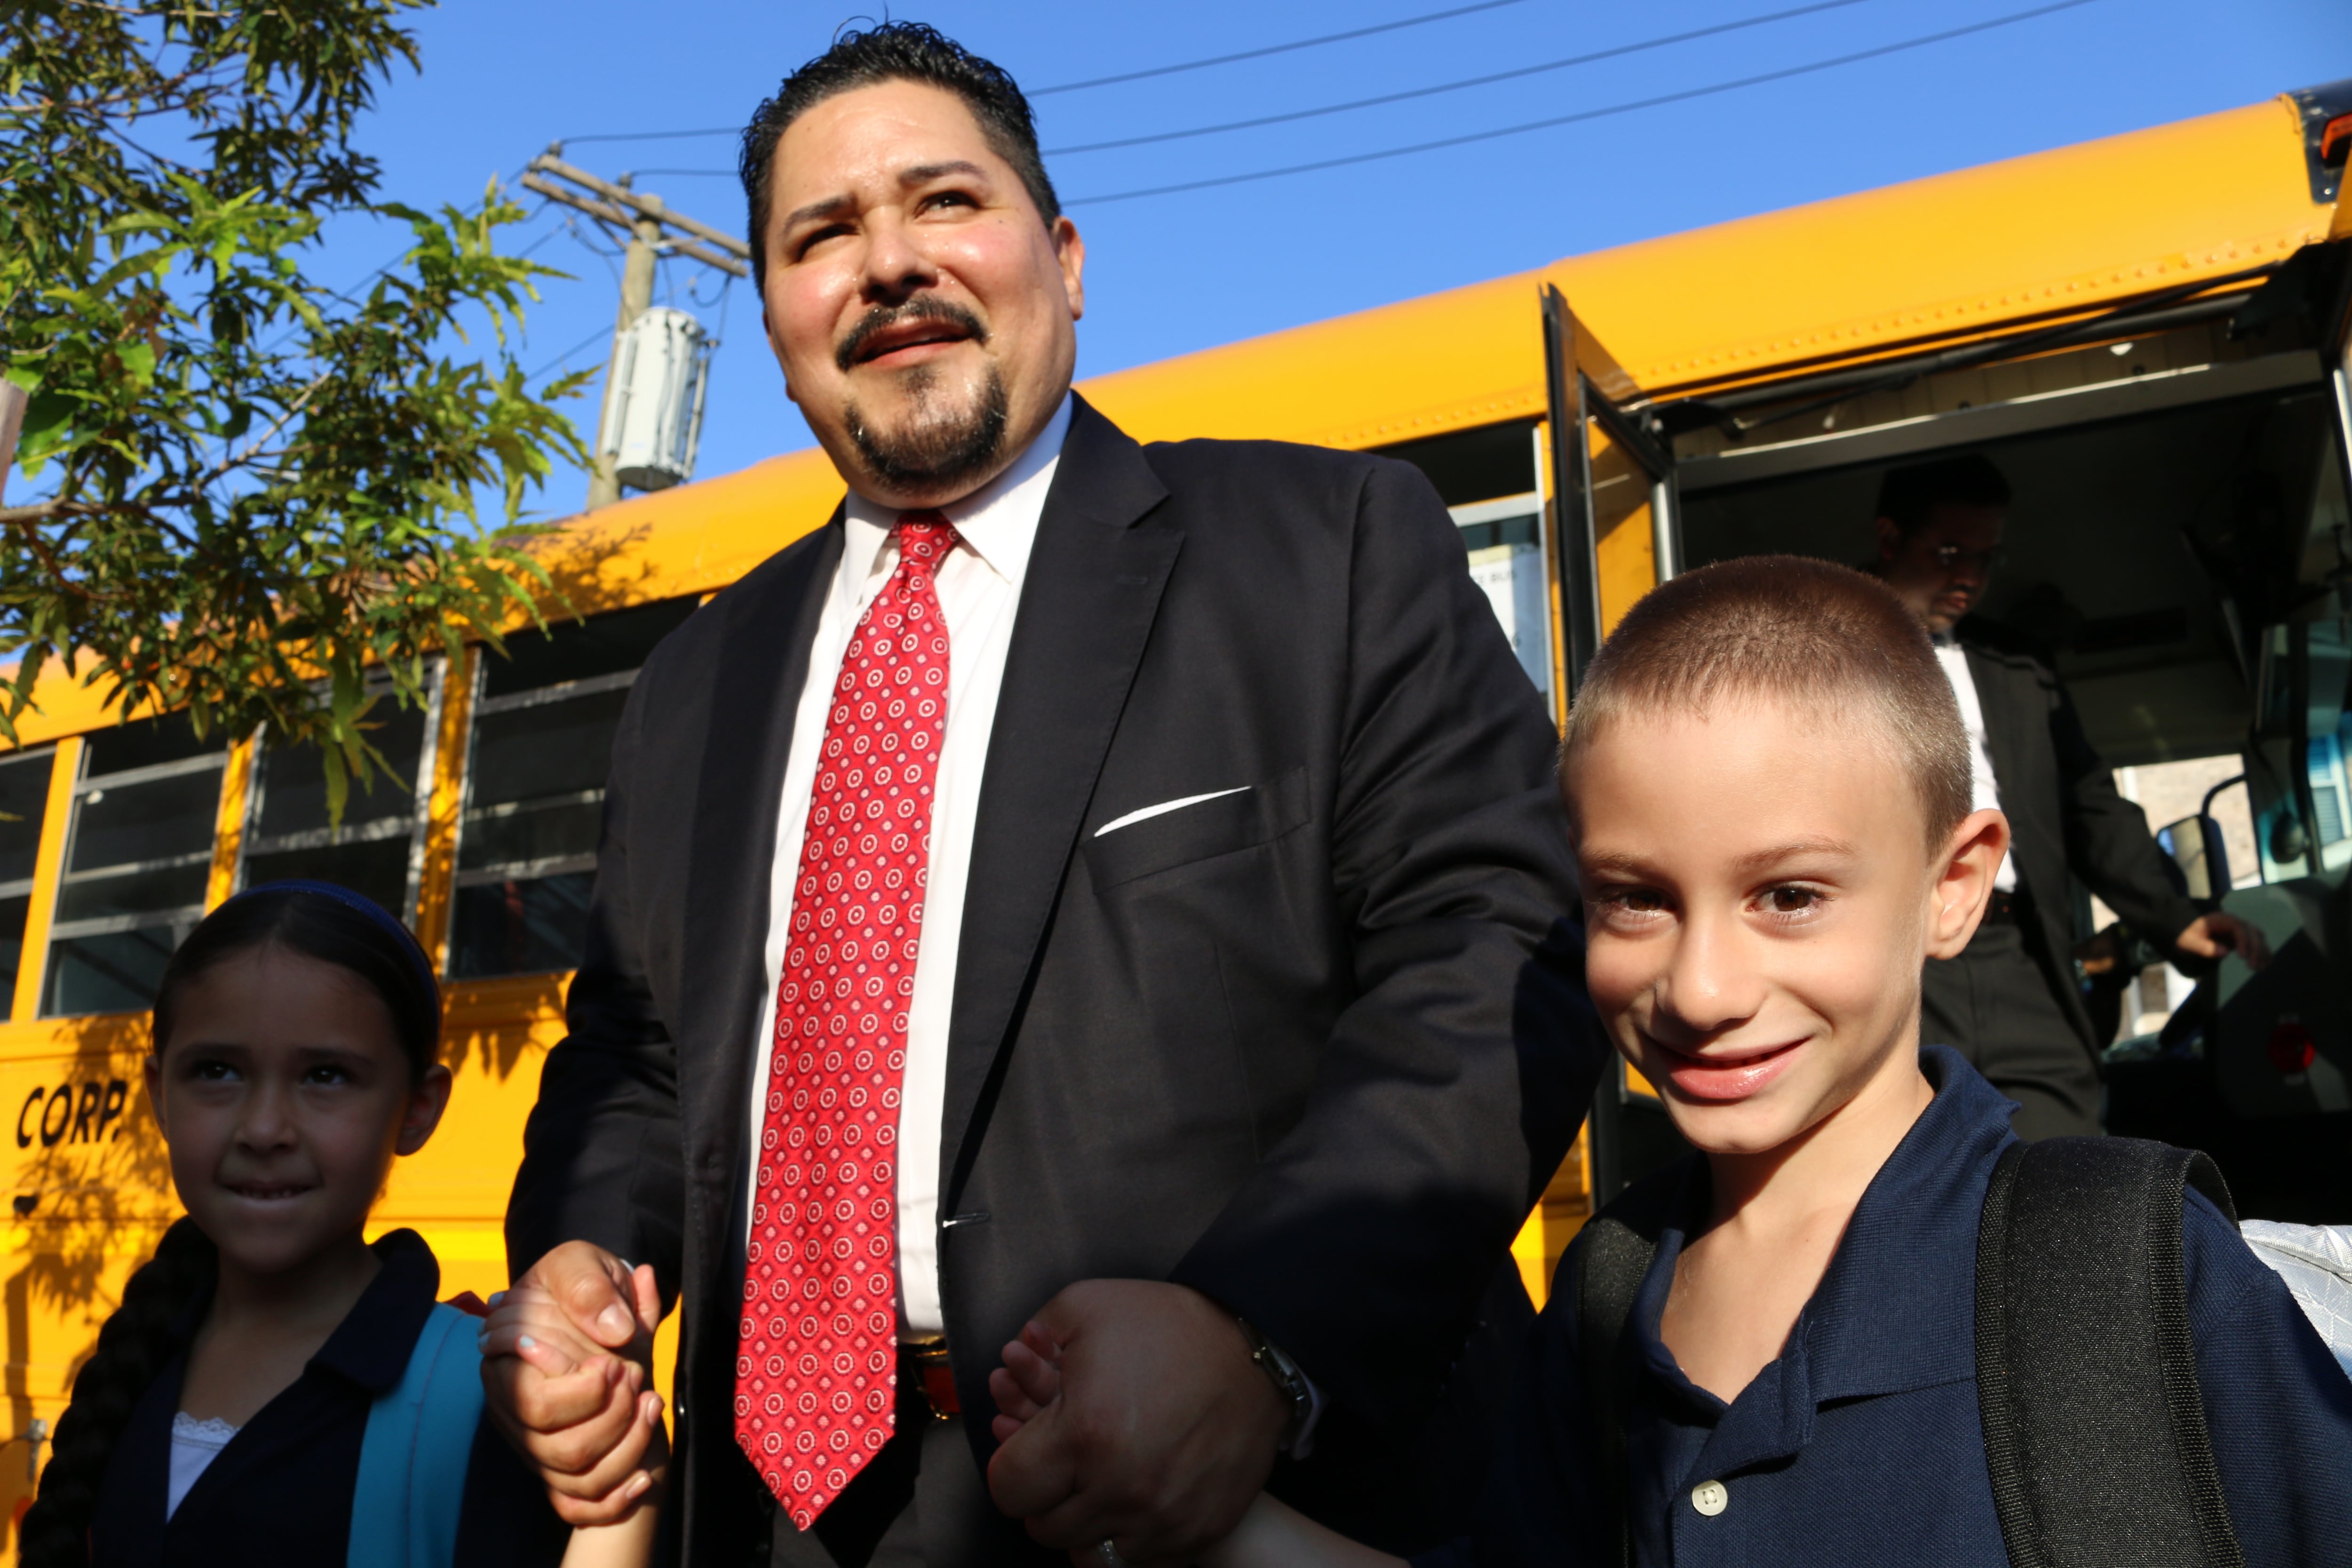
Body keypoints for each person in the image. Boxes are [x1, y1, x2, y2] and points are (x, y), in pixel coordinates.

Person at [482, 20, 1591, 1568]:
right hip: (787, 1522)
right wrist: (581, 1267)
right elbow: (639, 1059)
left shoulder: (1326, 549)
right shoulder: (693, 685)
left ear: (1063, 260)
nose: (888, 263)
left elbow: (1497, 947)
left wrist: (1264, 1340)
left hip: (1260, 1506)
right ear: (782, 323)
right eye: (822, 236)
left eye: (944, 202)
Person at [994, 557, 2352, 1566]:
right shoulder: (1610, 1291)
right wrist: (1185, 1493)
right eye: (1633, 897)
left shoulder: (2129, 1268)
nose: (1699, 987)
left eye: (1791, 896)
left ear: (1956, 884)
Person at [13, 882, 590, 1568]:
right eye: (217, 1070)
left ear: (419, 1107)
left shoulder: (484, 1394)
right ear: (158, 1094)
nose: (263, 1128)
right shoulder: (137, 1360)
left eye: (325, 1075)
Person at [1867, 454, 2268, 1138]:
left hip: (2025, 956)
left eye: (1987, 556)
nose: (1970, 576)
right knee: (1907, 1168)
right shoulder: (1820, 653)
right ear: (1888, 539)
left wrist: (2173, 917)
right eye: (1950, 551)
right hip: (1892, 956)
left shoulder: (2019, 666)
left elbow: (2090, 805)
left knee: (2066, 1163)